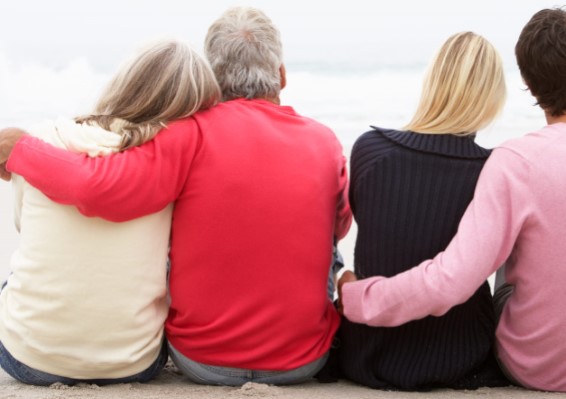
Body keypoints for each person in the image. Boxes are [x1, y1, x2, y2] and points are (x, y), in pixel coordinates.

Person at [0, 7, 351, 386]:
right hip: (303, 362)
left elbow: (100, 190)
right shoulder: (325, 141)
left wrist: (21, 149)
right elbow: (341, 224)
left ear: (213, 80)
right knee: (326, 244)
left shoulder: (189, 133)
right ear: (281, 74)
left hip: (202, 360)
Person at [338, 8, 566, 393]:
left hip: (538, 367)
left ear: (527, 81)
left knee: (507, 247)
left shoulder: (517, 161)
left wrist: (358, 298)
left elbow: (449, 282)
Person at [0, 39, 220, 386]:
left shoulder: (43, 139)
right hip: (132, 364)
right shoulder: (180, 164)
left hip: (28, 359)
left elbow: (23, 225)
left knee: (19, 276)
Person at [338, 31, 507, 391]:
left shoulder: (370, 150)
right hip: (461, 355)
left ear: (432, 82)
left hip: (369, 351)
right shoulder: (494, 170)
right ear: (493, 98)